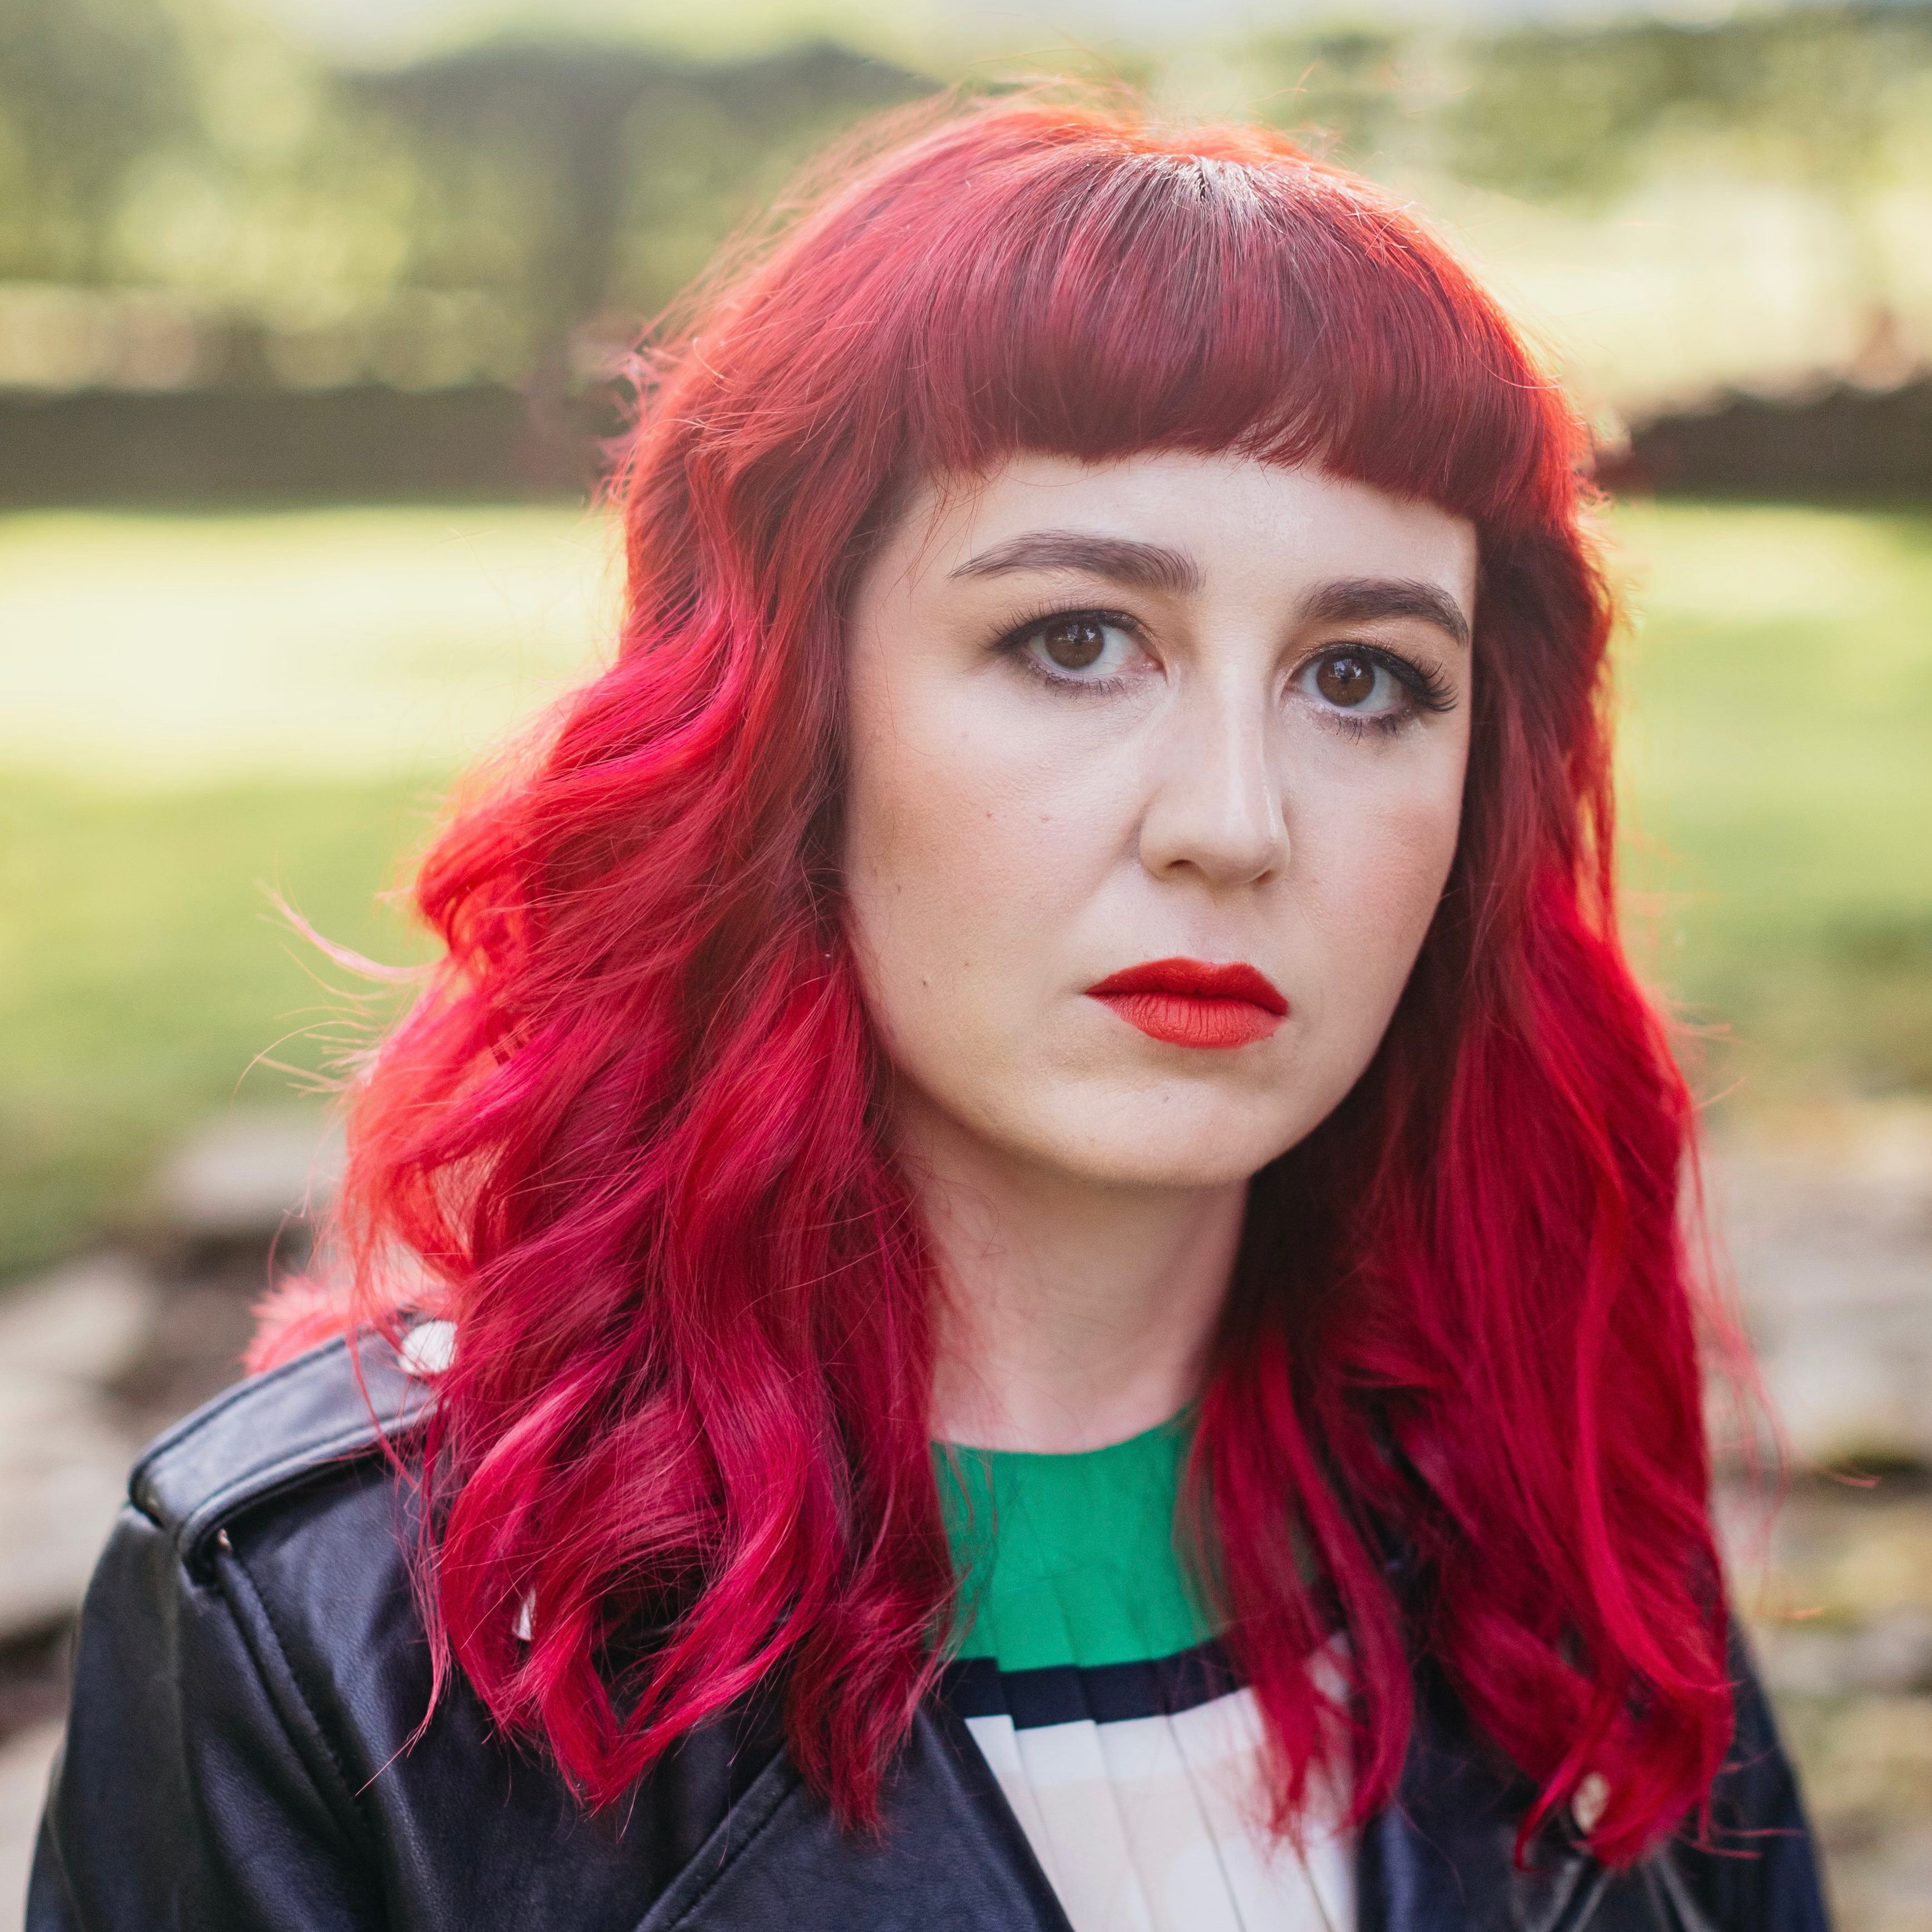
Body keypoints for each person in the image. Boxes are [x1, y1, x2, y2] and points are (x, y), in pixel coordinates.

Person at [31, 99, 1828, 1931]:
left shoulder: (1556, 1538)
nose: (1229, 819)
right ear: (790, 717)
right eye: (1073, 637)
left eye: (1360, 678)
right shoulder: (322, 1628)